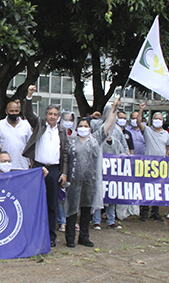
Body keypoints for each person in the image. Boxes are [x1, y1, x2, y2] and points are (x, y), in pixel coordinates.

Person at [64, 97, 120, 248]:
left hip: (90, 180)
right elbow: (66, 160)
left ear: (90, 128)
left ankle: (84, 237)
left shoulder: (96, 139)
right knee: (71, 210)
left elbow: (108, 124)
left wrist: (114, 108)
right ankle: (70, 238)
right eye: (80, 126)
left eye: (86, 126)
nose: (83, 128)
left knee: (86, 209)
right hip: (73, 181)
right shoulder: (71, 141)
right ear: (77, 128)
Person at [22, 85, 70, 248]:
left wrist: (64, 173)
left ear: (58, 117)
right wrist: (29, 95)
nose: (52, 116)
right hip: (38, 168)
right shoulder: (39, 125)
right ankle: (33, 234)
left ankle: (51, 236)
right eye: (50, 114)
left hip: (55, 170)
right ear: (45, 115)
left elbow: (65, 154)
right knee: (35, 202)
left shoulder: (62, 131)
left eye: (55, 114)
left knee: (52, 204)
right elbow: (28, 113)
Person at [135, 102, 169, 222]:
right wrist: (141, 110)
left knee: (158, 189)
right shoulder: (147, 130)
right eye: (156, 118)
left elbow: (168, 147)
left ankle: (155, 212)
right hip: (148, 163)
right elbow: (139, 122)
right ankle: (144, 212)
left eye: (160, 119)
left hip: (161, 165)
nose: (158, 120)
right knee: (146, 188)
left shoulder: (166, 133)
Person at [92, 106, 130, 230]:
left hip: (113, 170)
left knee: (112, 193)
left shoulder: (118, 131)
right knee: (99, 194)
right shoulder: (98, 127)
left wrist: (126, 155)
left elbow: (124, 148)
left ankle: (111, 219)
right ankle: (96, 220)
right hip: (99, 168)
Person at [0, 101, 32, 171]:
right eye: (11, 111)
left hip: (23, 166)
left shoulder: (26, 125)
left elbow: (30, 146)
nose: (14, 113)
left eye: (16, 111)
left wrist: (31, 165)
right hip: (5, 167)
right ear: (6, 111)